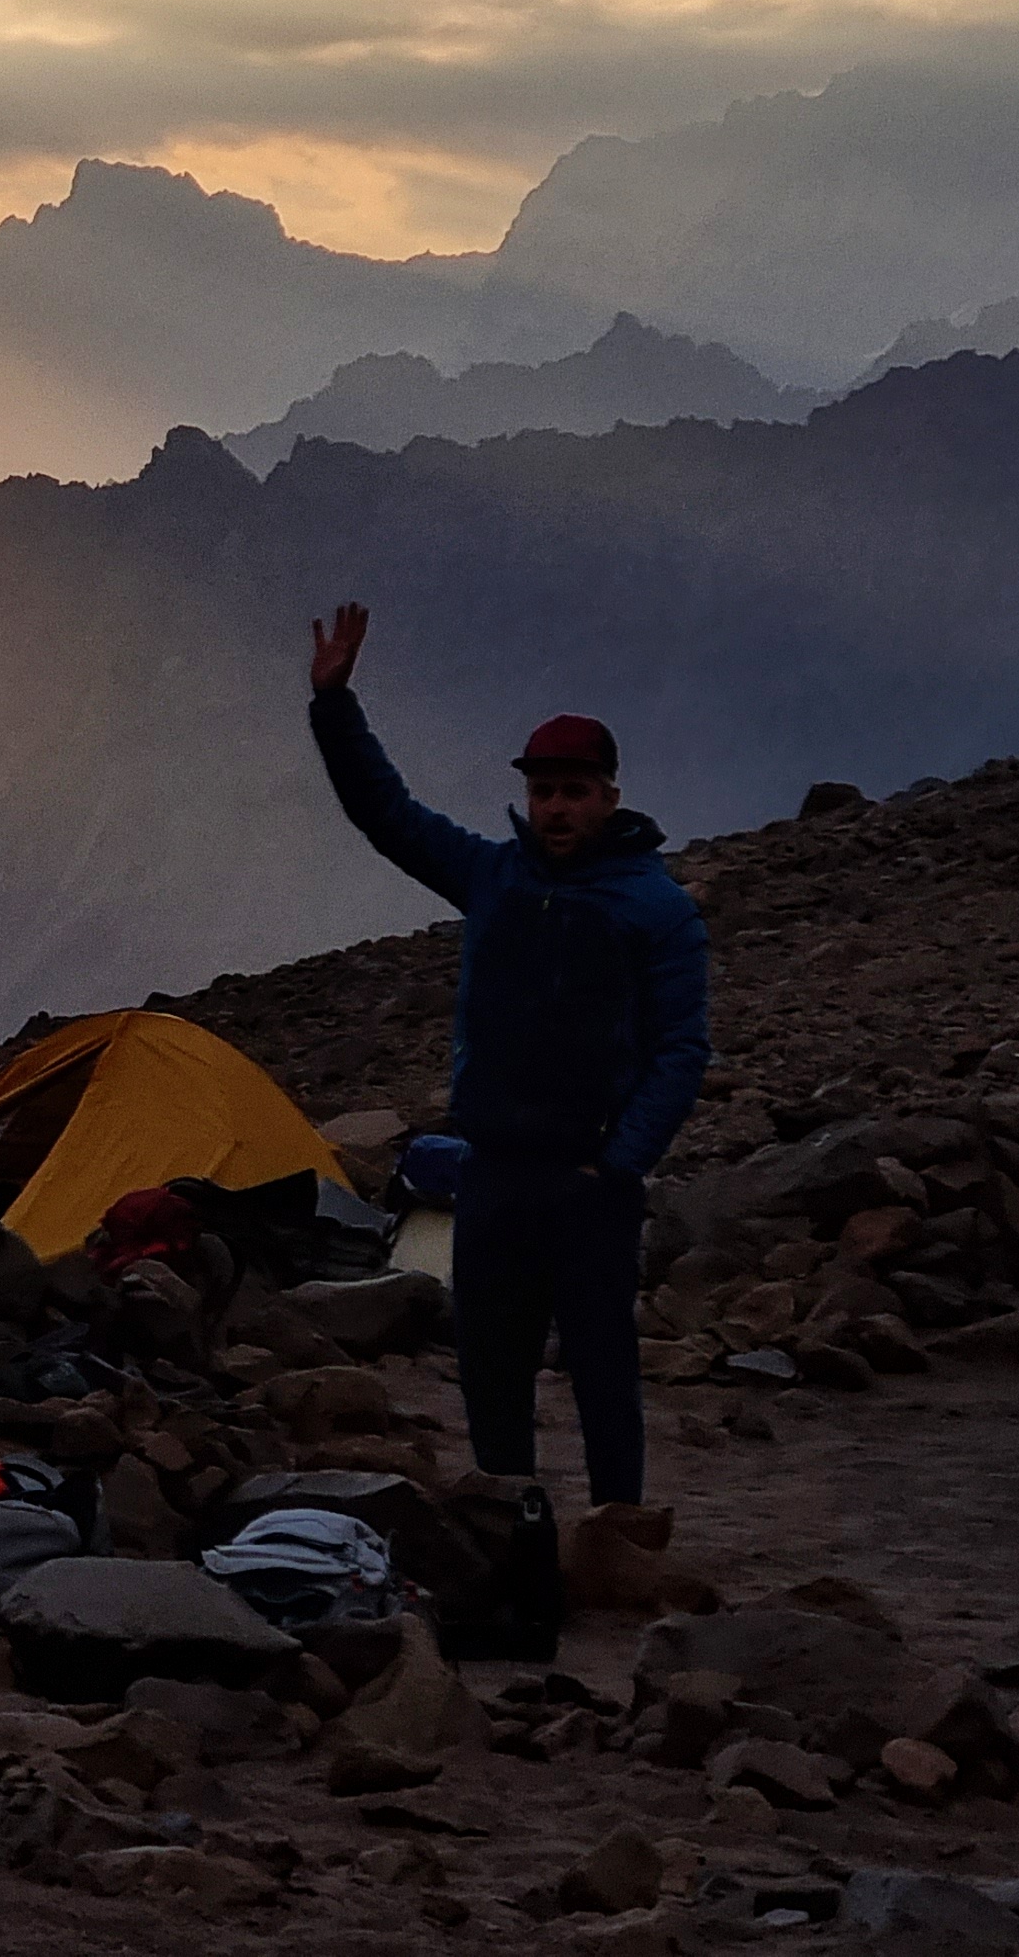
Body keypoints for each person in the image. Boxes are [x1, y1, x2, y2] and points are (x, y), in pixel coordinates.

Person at [304, 602, 708, 1510]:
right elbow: (387, 815)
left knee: (602, 1372)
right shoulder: (493, 877)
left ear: (609, 797)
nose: (556, 808)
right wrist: (335, 706)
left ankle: (615, 1535)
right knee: (491, 1369)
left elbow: (682, 1049)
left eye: (574, 791)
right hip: (490, 1171)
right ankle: (511, 1534)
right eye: (543, 792)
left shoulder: (657, 910)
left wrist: (619, 1161)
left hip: (588, 1183)